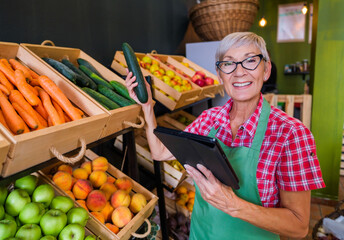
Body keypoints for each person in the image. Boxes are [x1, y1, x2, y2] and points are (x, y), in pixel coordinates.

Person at [125, 32, 325, 239]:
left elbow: (299, 226)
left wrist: (233, 205)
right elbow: (159, 152)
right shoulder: (209, 119)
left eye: (250, 61)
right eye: (228, 64)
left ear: (266, 70)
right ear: (220, 76)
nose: (239, 72)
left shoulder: (291, 135)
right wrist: (147, 106)